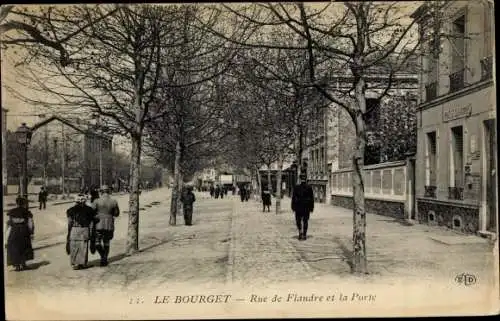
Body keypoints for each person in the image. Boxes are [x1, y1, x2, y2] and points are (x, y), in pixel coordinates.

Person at [66, 194, 98, 270]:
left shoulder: (70, 210)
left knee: (74, 245)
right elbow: (92, 221)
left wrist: (69, 230)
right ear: (85, 201)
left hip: (74, 229)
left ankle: (75, 263)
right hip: (84, 229)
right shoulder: (89, 210)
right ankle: (83, 263)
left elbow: (69, 222)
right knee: (83, 246)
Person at [93, 185, 120, 266]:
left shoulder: (96, 201)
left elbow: (92, 212)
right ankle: (104, 258)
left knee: (97, 242)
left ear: (101, 191)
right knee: (106, 242)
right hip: (109, 224)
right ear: (109, 191)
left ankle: (102, 257)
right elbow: (116, 213)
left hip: (98, 223)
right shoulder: (114, 201)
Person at [6, 196, 35, 271]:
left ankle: (17, 265)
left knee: (15, 247)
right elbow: (30, 223)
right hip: (24, 230)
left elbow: (9, 223)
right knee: (24, 247)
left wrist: (6, 233)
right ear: (23, 203)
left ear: (16, 203)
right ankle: (23, 264)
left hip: (14, 230)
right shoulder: (27, 212)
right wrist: (31, 232)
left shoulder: (12, 211)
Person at [292, 174, 314, 241]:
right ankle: (304, 235)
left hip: (298, 207)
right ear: (306, 179)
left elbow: (293, 198)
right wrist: (311, 208)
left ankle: (300, 232)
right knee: (305, 221)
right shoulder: (309, 187)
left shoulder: (296, 187)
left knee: (298, 221)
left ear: (300, 179)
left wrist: (293, 207)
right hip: (306, 207)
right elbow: (312, 198)